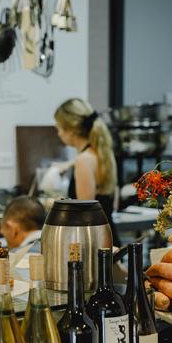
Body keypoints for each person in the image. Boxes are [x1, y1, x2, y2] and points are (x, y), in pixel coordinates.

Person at [54, 98, 121, 246]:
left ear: (70, 130)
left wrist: (57, 205)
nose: (58, 133)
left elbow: (85, 213)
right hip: (108, 236)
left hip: (94, 242)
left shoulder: (83, 160)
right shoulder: (102, 153)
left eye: (59, 128)